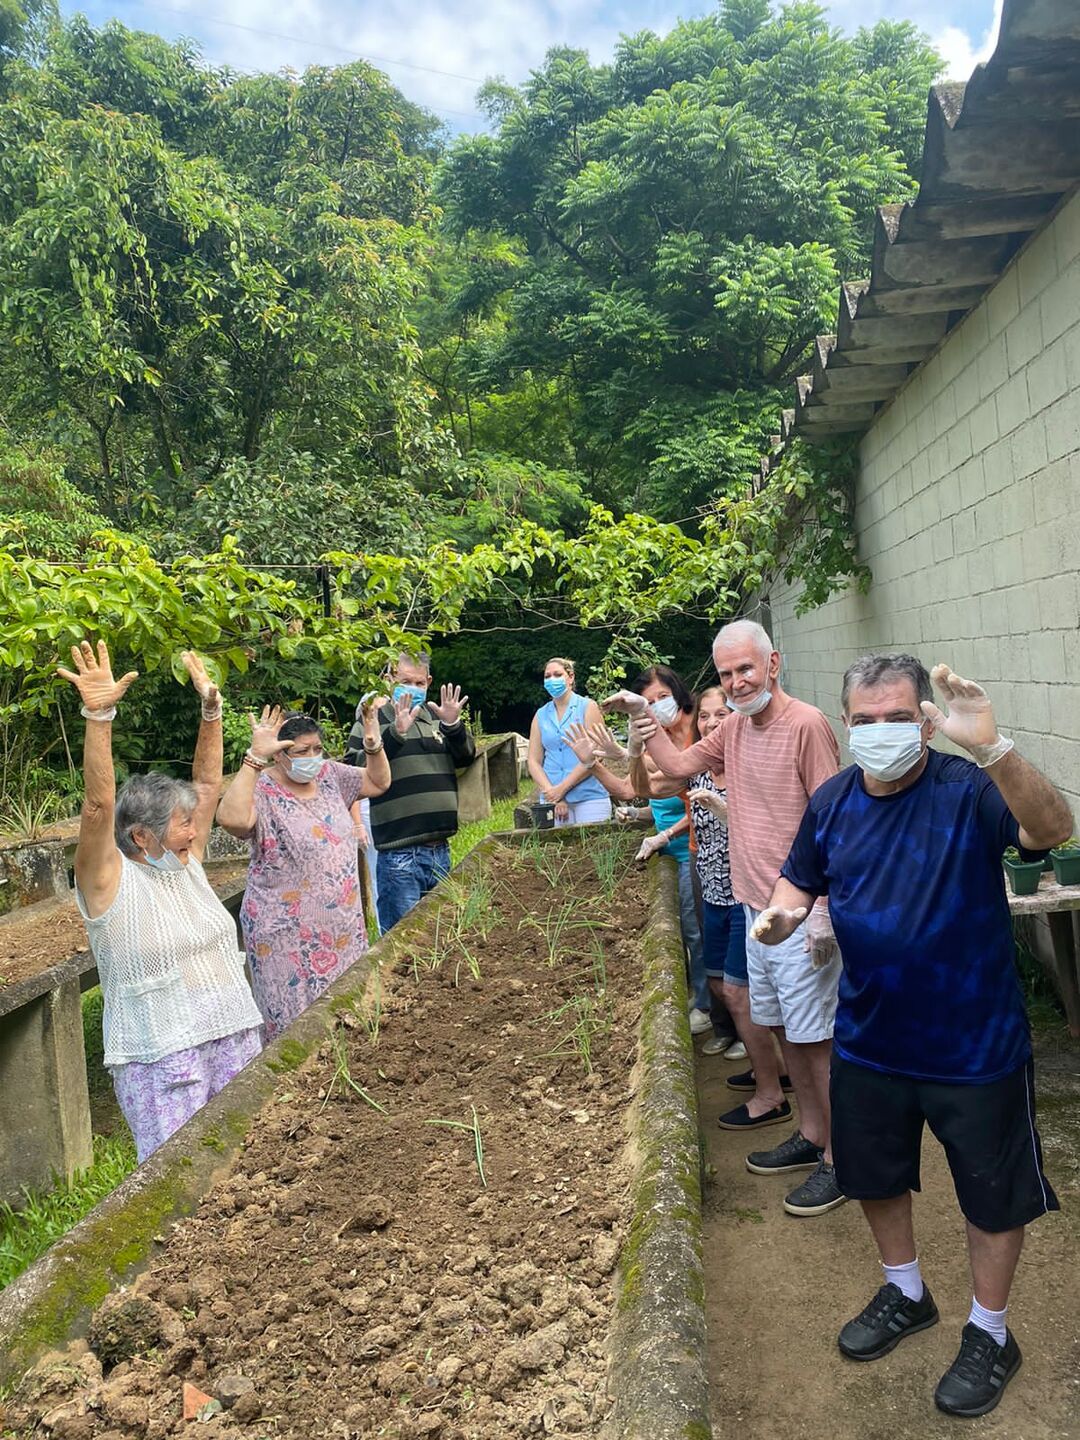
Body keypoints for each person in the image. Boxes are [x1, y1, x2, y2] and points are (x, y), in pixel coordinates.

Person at [752, 655, 1070, 1418]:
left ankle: (991, 1332)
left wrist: (993, 749)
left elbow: (1052, 829)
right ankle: (906, 1292)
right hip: (868, 1040)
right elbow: (801, 877)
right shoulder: (831, 803)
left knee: (992, 1197)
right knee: (876, 1176)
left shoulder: (967, 791)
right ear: (846, 724)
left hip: (975, 1046)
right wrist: (784, 911)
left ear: (925, 720)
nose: (882, 732)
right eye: (865, 721)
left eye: (899, 717)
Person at [604, 619, 844, 1218]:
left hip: (797, 911)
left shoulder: (807, 725)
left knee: (817, 1044)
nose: (737, 682)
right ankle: (812, 1133)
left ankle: (844, 1159)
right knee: (786, 1029)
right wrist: (643, 719)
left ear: (774, 663)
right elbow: (679, 765)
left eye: (747, 669)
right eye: (728, 672)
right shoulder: (735, 728)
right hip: (753, 905)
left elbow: (836, 820)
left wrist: (826, 909)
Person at [59, 640, 265, 1163]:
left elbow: (204, 783)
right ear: (142, 836)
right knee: (181, 1183)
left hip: (233, 1037)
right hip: (163, 1060)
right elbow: (98, 804)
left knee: (250, 1170)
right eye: (182, 824)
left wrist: (212, 712)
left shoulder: (184, 864)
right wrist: (98, 716)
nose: (197, 830)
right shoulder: (108, 882)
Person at [216, 700, 391, 1039]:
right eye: (301, 751)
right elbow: (232, 820)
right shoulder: (263, 789)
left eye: (317, 748)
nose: (312, 757)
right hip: (285, 936)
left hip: (342, 930)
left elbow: (378, 782)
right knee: (296, 1030)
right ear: (279, 754)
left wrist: (372, 739)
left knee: (348, 1017)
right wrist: (254, 759)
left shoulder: (331, 777)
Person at [568, 666, 713, 1038]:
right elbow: (638, 787)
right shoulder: (660, 738)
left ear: (680, 694)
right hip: (693, 850)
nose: (657, 707)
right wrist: (604, 759)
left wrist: (662, 836)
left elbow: (679, 792)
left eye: (663, 698)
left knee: (702, 933)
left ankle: (709, 1008)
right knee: (695, 931)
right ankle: (709, 1006)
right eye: (648, 702)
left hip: (702, 850)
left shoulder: (702, 735)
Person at [343, 651, 475, 932]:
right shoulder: (373, 719)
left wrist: (453, 726)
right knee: (403, 941)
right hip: (399, 854)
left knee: (442, 935)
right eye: (405, 681)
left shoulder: (436, 716)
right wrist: (394, 735)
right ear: (390, 679)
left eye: (418, 682)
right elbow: (354, 771)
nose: (412, 688)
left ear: (428, 681)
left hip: (440, 849)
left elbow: (465, 759)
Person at [686, 686, 748, 1060]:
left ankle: (759, 1056)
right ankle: (728, 1032)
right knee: (715, 977)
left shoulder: (748, 767)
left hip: (745, 894)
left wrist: (725, 810)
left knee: (742, 984)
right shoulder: (696, 771)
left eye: (720, 715)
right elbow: (642, 788)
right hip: (711, 889)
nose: (710, 724)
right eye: (704, 716)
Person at [527, 657, 611, 826]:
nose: (552, 680)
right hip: (552, 800)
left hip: (589, 796)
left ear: (570, 677)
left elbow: (597, 754)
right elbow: (533, 760)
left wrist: (562, 789)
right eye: (547, 676)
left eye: (557, 674)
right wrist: (553, 793)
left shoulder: (588, 707)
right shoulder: (540, 715)